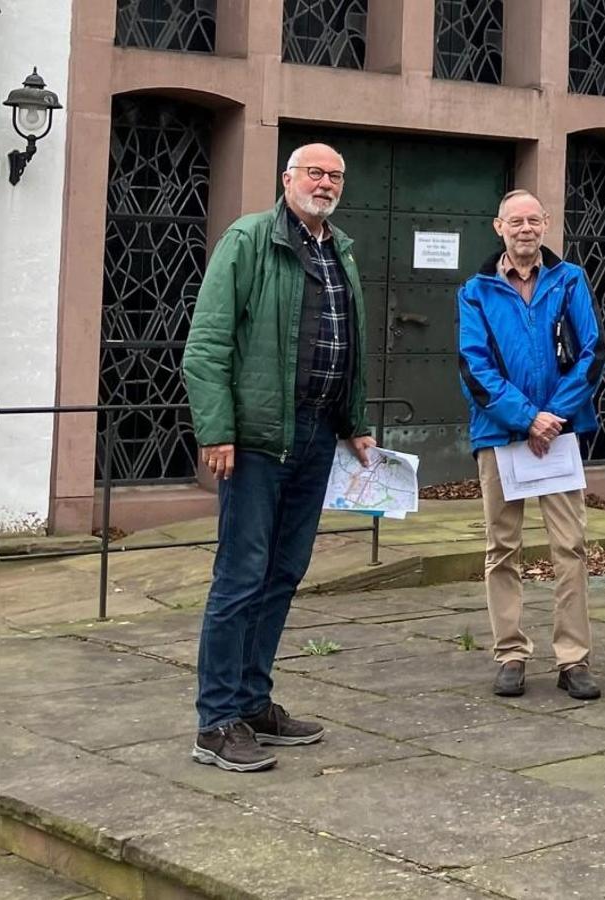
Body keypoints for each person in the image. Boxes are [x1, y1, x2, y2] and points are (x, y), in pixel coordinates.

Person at [182, 143, 375, 772]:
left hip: (318, 436)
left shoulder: (337, 248)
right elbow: (206, 344)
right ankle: (216, 721)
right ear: (286, 178)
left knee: (283, 574)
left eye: (334, 176)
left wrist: (355, 423)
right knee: (241, 577)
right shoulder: (249, 239)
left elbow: (345, 345)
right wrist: (217, 431)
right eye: (313, 173)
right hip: (258, 441)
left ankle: (253, 700)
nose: (324, 183)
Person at [457, 189, 603, 701]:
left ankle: (573, 658)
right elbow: (474, 366)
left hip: (558, 437)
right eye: (515, 221)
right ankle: (511, 654)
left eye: (533, 220)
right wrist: (525, 418)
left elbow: (592, 353)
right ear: (499, 227)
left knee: (571, 548)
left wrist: (553, 417)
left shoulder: (571, 281)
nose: (525, 229)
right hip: (501, 436)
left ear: (546, 225)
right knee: (502, 548)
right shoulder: (475, 291)